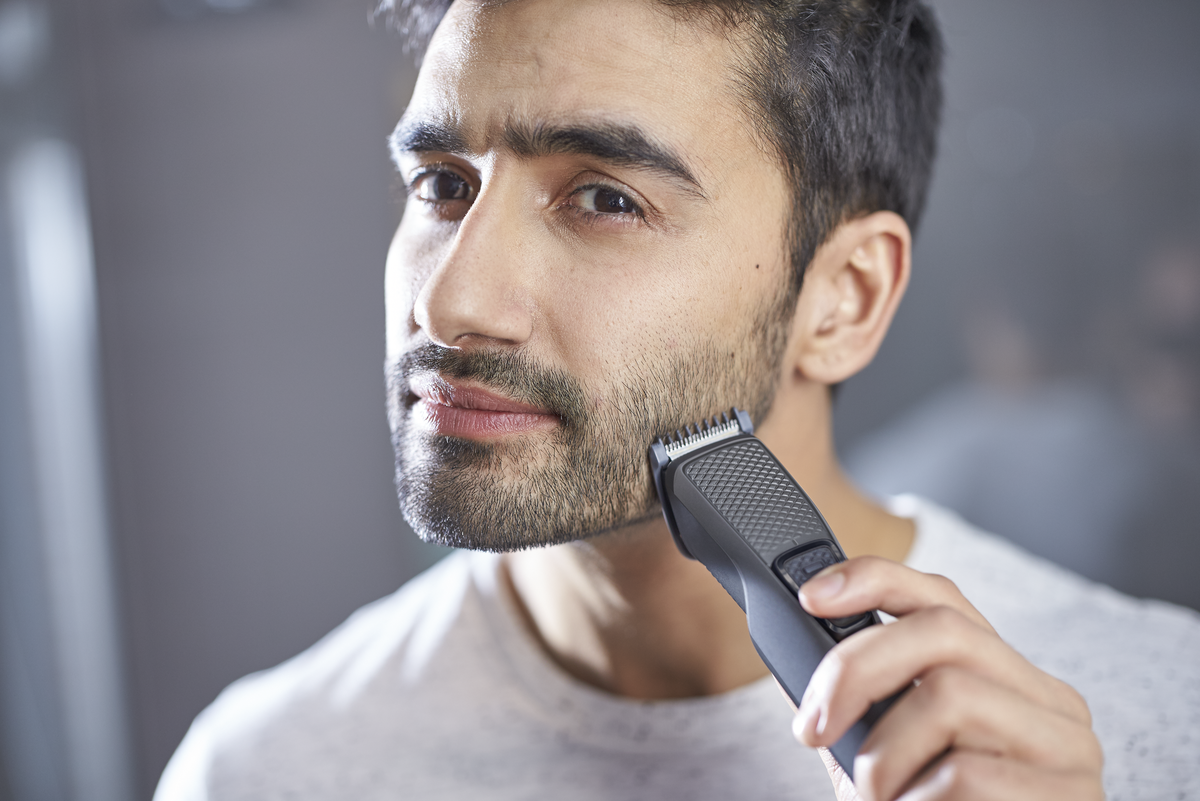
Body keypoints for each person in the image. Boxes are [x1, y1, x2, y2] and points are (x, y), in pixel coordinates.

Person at [154, 1, 1200, 799]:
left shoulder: (1166, 723)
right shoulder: (258, 769)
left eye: (604, 198)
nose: (450, 300)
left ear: (844, 297)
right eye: (442, 184)